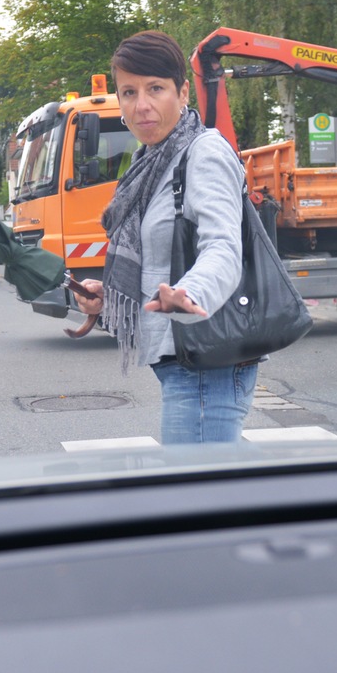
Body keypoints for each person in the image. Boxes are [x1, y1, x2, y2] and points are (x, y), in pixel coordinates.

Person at [74, 30, 254, 444]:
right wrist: (109, 296)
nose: (142, 105)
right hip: (181, 360)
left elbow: (224, 246)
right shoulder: (149, 164)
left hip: (206, 362)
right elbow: (160, 261)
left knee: (199, 496)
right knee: (225, 490)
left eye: (156, 88)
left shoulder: (203, 151)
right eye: (129, 92)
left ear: (183, 91)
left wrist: (190, 292)